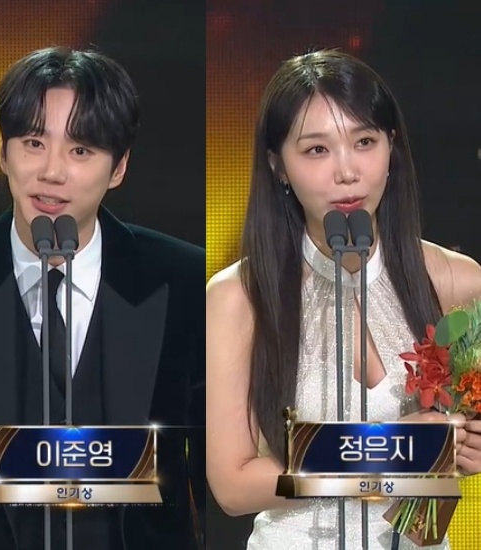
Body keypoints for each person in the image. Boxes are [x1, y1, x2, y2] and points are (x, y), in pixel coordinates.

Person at [206, 49, 481, 549]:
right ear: (278, 166)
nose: (347, 171)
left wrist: (465, 447)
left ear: (392, 147)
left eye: (365, 142)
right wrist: (386, 453)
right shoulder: (238, 297)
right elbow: (232, 485)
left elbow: (457, 446)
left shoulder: (456, 281)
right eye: (316, 150)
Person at [0, 47, 205, 550]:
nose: (52, 172)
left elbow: (212, 477)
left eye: (81, 150)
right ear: (3, 153)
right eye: (34, 143)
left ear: (118, 167)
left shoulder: (185, 281)